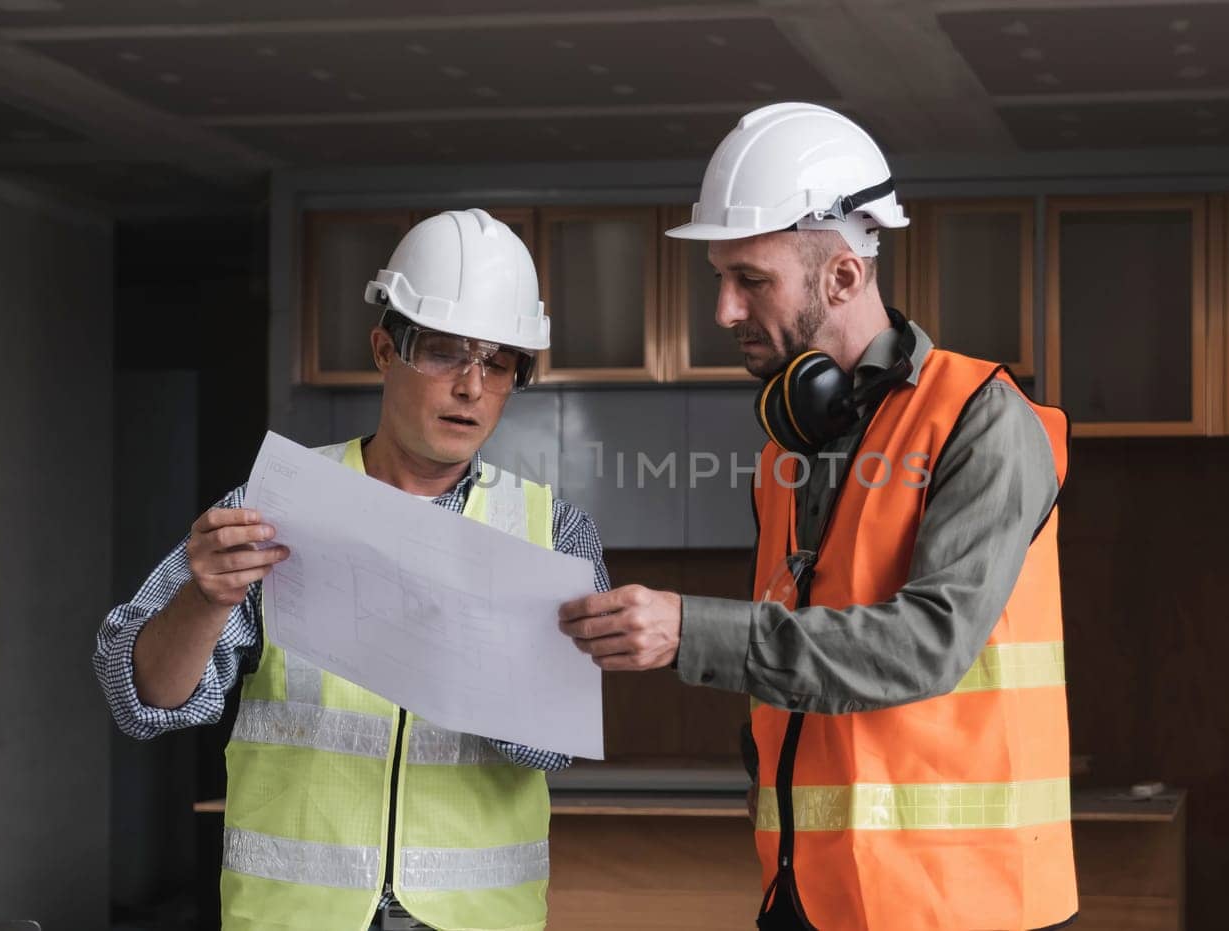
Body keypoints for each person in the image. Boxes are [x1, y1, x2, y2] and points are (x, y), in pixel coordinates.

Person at [557, 103, 1077, 931]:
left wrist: (692, 631)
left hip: (963, 906)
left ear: (842, 275)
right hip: (810, 899)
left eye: (750, 280)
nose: (724, 311)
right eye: (720, 280)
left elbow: (929, 642)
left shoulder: (982, 417)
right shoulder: (787, 448)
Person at [95, 208, 609, 931]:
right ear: (382, 348)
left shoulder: (552, 533)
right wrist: (202, 600)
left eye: (497, 362)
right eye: (442, 351)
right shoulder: (275, 505)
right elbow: (137, 696)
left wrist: (450, 636)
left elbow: (554, 741)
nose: (470, 386)